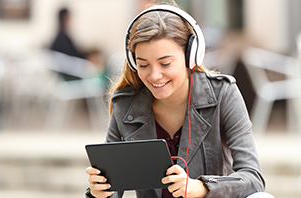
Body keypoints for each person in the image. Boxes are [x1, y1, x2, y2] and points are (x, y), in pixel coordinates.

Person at [85, 3, 275, 198]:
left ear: (190, 56)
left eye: (165, 63)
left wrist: (201, 187)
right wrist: (100, 192)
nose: (155, 75)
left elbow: (253, 178)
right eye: (143, 65)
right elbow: (114, 186)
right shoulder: (125, 104)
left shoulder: (223, 94)